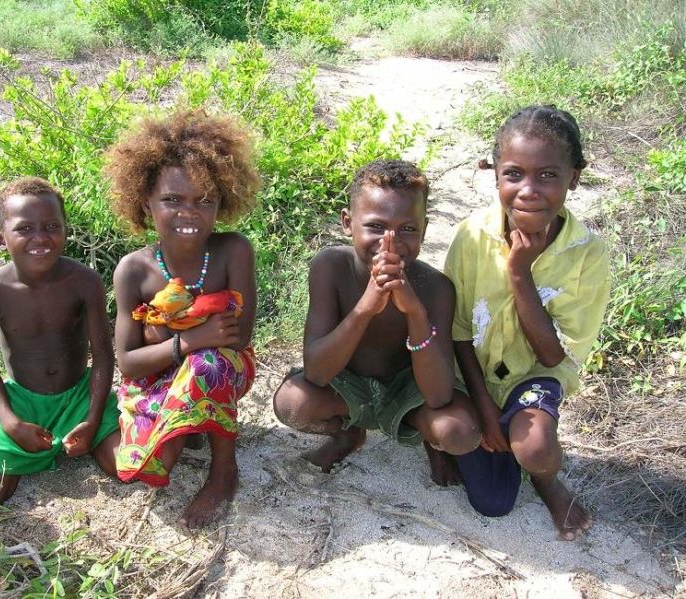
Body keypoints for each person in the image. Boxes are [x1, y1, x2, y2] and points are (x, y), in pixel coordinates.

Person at [445, 105, 610, 539]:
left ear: (573, 176)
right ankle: (460, 438)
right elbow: (458, 330)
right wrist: (483, 405)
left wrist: (520, 271)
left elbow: (554, 353)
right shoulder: (471, 235)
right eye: (514, 173)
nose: (529, 190)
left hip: (535, 372)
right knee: (494, 503)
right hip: (474, 373)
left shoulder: (586, 254)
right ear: (495, 172)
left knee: (534, 449)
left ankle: (547, 481)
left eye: (548, 175)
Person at [273, 159, 482, 485]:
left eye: (407, 229)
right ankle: (347, 434)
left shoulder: (435, 288)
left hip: (411, 390)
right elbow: (316, 372)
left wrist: (415, 313)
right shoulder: (331, 267)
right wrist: (366, 308)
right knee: (293, 403)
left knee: (459, 432)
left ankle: (432, 444)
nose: (391, 242)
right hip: (348, 385)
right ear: (348, 222)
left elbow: (440, 396)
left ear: (424, 230)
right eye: (375, 226)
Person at [106, 111, 260, 528]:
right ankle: (186, 425)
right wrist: (189, 339)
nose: (188, 213)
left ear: (221, 203)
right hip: (158, 376)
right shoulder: (133, 271)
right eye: (172, 200)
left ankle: (224, 470)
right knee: (142, 465)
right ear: (145, 203)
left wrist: (168, 332)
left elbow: (238, 336)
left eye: (204, 201)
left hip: (221, 369)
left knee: (208, 364)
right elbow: (129, 363)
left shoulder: (233, 251)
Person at [0, 177, 121, 506]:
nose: (41, 238)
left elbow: (104, 357)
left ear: (65, 229)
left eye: (51, 226)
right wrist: (11, 423)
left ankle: (81, 435)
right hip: (22, 402)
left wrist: (92, 420)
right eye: (24, 229)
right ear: (0, 239)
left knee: (123, 465)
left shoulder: (84, 282)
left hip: (81, 395)